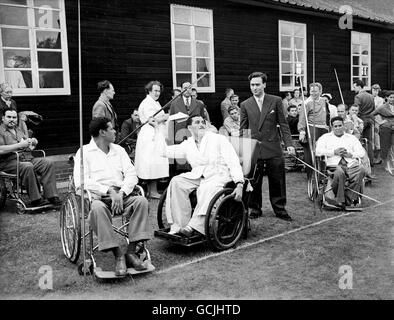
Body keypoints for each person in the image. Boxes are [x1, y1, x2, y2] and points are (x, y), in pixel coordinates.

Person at [73, 117, 151, 275]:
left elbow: (131, 173)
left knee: (141, 201)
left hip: (122, 195)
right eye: (112, 128)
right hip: (98, 197)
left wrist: (121, 193)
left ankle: (130, 252)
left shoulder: (119, 150)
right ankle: (118, 255)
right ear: (102, 132)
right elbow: (81, 181)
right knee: (97, 209)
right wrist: (109, 191)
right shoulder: (84, 152)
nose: (115, 131)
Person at [158, 115, 244, 236]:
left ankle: (194, 227)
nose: (201, 124)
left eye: (203, 122)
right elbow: (164, 151)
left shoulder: (219, 139)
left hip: (219, 175)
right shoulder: (188, 144)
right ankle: (180, 225)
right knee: (177, 181)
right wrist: (159, 128)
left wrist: (239, 183)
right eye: (197, 122)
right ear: (189, 127)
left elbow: (233, 161)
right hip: (198, 175)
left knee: (207, 188)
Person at [240, 72, 295, 221]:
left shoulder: (275, 100)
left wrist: (289, 144)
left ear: (264, 84)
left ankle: (280, 209)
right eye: (252, 85)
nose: (255, 88)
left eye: (258, 84)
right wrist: (244, 150)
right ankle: (255, 208)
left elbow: (283, 124)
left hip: (273, 148)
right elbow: (243, 129)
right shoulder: (245, 104)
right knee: (254, 181)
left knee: (277, 180)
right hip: (254, 149)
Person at [0, 109, 61, 207]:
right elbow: (1, 150)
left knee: (48, 162)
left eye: (14, 117)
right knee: (27, 166)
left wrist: (32, 142)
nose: (12, 120)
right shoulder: (0, 131)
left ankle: (51, 196)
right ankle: (36, 199)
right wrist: (19, 145)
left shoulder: (18, 130)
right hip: (8, 162)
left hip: (26, 158)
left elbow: (26, 145)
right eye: (9, 117)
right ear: (3, 118)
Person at [316, 116, 366, 208]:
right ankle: (340, 200)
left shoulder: (351, 138)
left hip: (350, 164)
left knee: (361, 169)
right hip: (333, 164)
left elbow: (361, 153)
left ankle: (349, 198)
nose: (338, 128)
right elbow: (318, 151)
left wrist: (350, 154)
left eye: (340, 125)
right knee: (339, 172)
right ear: (332, 127)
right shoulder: (325, 137)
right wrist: (334, 152)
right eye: (335, 126)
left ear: (344, 126)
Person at [135, 80, 169, 198]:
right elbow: (151, 120)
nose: (157, 93)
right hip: (149, 136)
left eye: (159, 91)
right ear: (149, 91)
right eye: (155, 90)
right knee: (151, 162)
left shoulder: (155, 103)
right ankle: (151, 191)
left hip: (156, 134)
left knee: (155, 162)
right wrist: (165, 117)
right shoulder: (147, 103)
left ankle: (153, 190)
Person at [298, 82, 331, 180]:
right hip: (312, 128)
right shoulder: (307, 102)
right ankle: (311, 175)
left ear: (320, 91)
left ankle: (322, 175)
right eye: (312, 91)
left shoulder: (324, 101)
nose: (313, 93)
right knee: (312, 152)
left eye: (316, 91)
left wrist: (328, 127)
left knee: (323, 152)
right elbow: (302, 118)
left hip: (324, 129)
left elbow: (328, 115)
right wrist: (302, 131)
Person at [371, 90, 394, 175]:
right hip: (385, 129)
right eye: (391, 97)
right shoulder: (382, 107)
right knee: (386, 147)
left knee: (393, 147)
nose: (392, 99)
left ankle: (392, 164)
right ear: (387, 98)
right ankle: (388, 165)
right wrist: (379, 122)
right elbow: (371, 115)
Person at [353, 79, 375, 169]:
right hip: (370, 120)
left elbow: (356, 110)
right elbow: (374, 108)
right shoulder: (371, 96)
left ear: (359, 86)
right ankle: (371, 161)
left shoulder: (358, 96)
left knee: (358, 140)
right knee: (369, 141)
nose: (354, 89)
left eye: (354, 87)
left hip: (362, 120)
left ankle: (362, 161)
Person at [371, 84, 385, 165]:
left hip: (377, 120)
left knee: (377, 137)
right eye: (374, 90)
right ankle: (372, 157)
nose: (375, 91)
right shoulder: (369, 98)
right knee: (371, 137)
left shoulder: (380, 99)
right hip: (371, 119)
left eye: (377, 90)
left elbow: (378, 109)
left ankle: (378, 157)